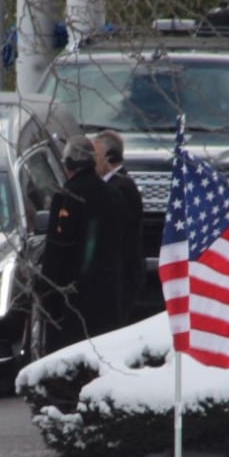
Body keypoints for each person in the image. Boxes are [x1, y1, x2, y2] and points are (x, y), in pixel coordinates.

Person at [37, 134, 124, 353]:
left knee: (67, 358)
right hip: (106, 293)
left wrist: (47, 295)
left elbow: (58, 249)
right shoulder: (114, 195)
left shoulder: (66, 197)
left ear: (68, 165)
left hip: (72, 297)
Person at [92, 129, 145, 325]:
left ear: (110, 158)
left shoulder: (120, 188)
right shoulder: (112, 185)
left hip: (122, 275)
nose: (91, 161)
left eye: (95, 156)